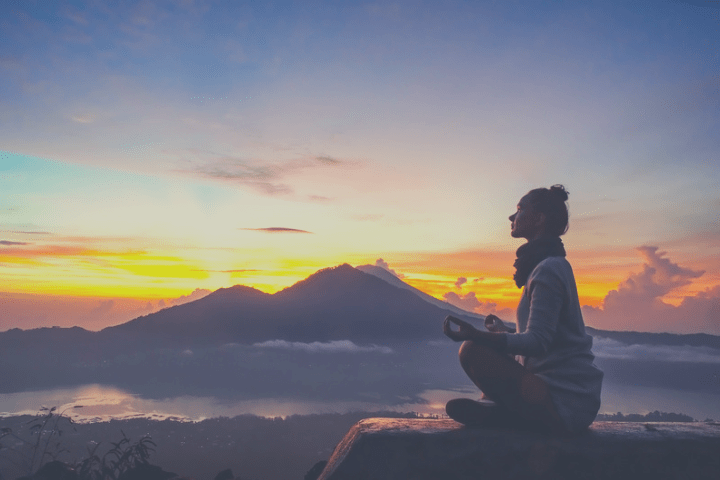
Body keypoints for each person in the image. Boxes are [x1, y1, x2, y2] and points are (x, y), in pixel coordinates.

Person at [442, 185, 603, 435]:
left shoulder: (548, 269)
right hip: (561, 395)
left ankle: (502, 411)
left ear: (539, 219)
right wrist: (504, 331)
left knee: (472, 350)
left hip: (564, 401)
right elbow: (548, 338)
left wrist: (477, 336)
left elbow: (538, 342)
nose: (511, 217)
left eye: (519, 210)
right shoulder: (547, 267)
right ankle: (500, 409)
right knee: (488, 349)